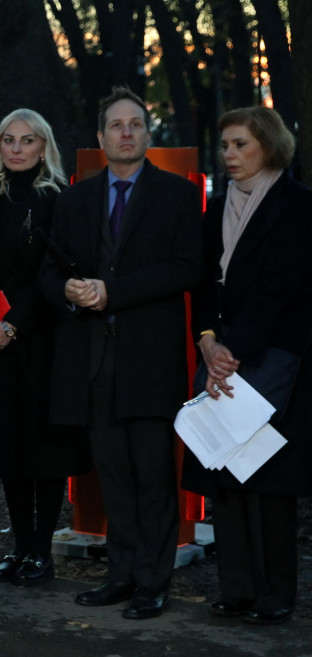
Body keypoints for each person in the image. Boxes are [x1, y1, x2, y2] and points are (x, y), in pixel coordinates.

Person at [39, 87, 202, 619]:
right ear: (100, 137)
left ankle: (153, 581)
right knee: (111, 475)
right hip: (92, 360)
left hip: (150, 360)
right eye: (116, 125)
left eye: (135, 124)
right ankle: (121, 574)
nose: (126, 132)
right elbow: (48, 273)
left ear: (148, 134)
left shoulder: (178, 195)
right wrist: (68, 290)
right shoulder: (75, 199)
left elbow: (186, 269)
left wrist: (114, 292)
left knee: (154, 475)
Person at [183, 106, 312, 625]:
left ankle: (276, 594)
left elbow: (278, 289)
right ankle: (237, 589)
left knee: (268, 478)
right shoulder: (215, 208)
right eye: (225, 145)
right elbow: (202, 284)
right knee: (224, 471)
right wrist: (208, 342)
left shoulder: (298, 205)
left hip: (274, 359)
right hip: (223, 355)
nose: (229, 155)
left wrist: (230, 353)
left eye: (240, 144)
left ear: (269, 145)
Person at [0, 109, 90, 586]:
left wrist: (13, 325)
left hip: (41, 341)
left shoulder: (59, 200)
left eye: (27, 140)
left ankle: (41, 552)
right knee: (6, 447)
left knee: (43, 450)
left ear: (43, 146)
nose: (16, 148)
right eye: (8, 139)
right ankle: (19, 546)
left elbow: (54, 273)